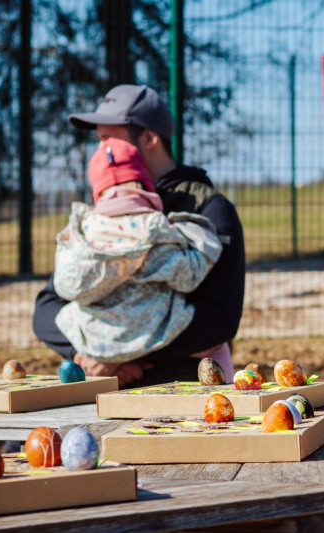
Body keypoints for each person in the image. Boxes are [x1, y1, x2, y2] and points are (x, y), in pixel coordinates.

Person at [33, 85, 245, 387]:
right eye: (99, 140)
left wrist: (117, 351)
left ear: (149, 138)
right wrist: (87, 353)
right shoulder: (103, 216)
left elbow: (220, 318)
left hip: (183, 384)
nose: (100, 150)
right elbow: (48, 305)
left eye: (108, 138)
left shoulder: (207, 209)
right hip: (103, 379)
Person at [52, 137, 227, 374]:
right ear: (145, 184)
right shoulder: (153, 227)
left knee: (66, 313)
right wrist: (198, 237)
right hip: (154, 332)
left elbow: (65, 285)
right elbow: (187, 277)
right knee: (215, 344)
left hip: (94, 339)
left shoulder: (84, 231)